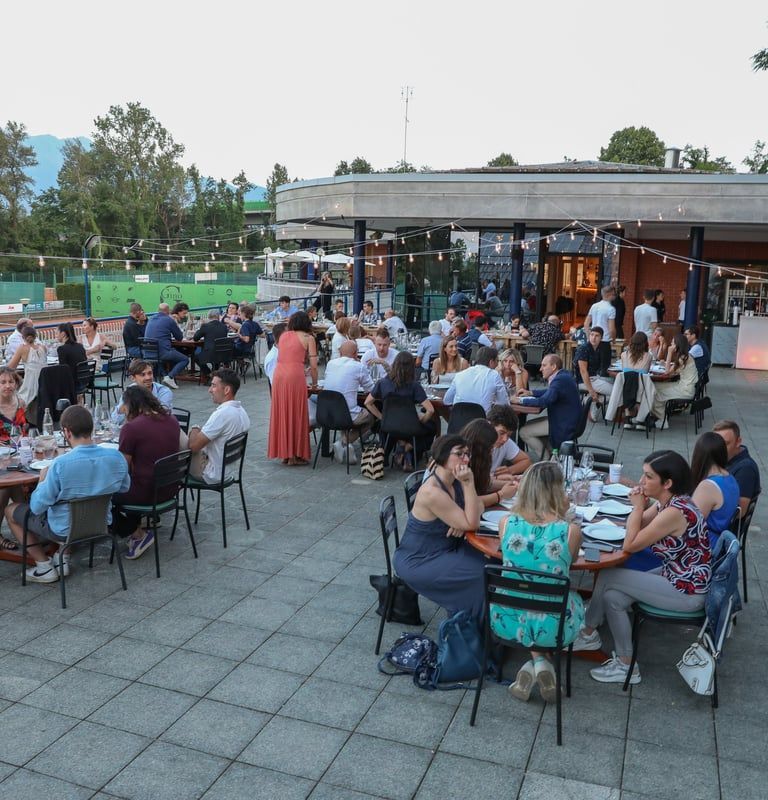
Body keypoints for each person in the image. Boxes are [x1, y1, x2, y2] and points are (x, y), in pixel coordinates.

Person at [573, 451, 710, 685]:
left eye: (648, 477)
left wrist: (637, 507)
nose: (640, 481)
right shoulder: (671, 502)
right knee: (613, 597)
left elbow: (630, 543)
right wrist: (641, 505)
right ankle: (626, 665)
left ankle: (587, 633)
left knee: (608, 574)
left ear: (667, 483)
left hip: (687, 590)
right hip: (676, 575)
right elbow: (638, 525)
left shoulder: (674, 512)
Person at [4, 405, 130, 583]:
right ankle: (62, 557)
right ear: (92, 427)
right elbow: (124, 488)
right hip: (101, 523)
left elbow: (37, 507)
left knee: (11, 511)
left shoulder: (60, 464)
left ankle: (43, 566)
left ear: (66, 432)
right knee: (69, 506)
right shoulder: (116, 457)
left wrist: (41, 481)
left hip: (63, 530)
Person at [491, 461, 584, 701]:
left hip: (507, 616)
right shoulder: (570, 531)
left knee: (530, 598)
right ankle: (542, 662)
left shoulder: (506, 523)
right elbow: (571, 562)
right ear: (557, 491)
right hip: (554, 623)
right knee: (569, 598)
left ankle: (536, 664)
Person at [393, 434, 486, 622]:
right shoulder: (432, 491)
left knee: (489, 563)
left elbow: (479, 507)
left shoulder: (454, 479)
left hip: (445, 549)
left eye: (467, 454)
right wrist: (469, 486)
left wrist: (462, 520)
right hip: (419, 560)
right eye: (459, 454)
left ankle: (476, 622)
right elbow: (473, 521)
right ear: (443, 455)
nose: (466, 459)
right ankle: (467, 628)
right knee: (481, 574)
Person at [111, 385, 182, 559]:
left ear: (131, 405)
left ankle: (138, 534)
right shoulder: (171, 419)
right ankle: (136, 530)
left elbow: (122, 469)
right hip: (170, 488)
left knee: (99, 497)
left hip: (147, 492)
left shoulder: (132, 428)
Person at [364, 351, 436, 469]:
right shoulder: (414, 386)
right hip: (410, 425)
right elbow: (431, 410)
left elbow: (368, 403)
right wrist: (421, 420)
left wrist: (382, 417)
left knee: (393, 430)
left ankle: (403, 448)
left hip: (388, 425)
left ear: (395, 364)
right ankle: (408, 448)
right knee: (431, 427)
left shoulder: (382, 383)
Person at [267, 312, 317, 465]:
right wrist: (314, 383)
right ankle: (295, 455)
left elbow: (288, 357)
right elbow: (314, 366)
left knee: (282, 412)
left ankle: (285, 454)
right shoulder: (309, 338)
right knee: (297, 413)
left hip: (279, 375)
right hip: (295, 376)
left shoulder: (283, 336)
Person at [517, 354, 581, 461]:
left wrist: (520, 400)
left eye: (544, 365)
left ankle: (546, 460)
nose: (540, 369)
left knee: (524, 431)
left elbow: (545, 401)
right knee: (528, 425)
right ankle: (551, 454)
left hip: (563, 423)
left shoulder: (559, 380)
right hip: (567, 419)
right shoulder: (563, 376)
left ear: (553, 367)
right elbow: (550, 392)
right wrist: (531, 392)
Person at [189, 368, 251, 480]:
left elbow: (193, 447)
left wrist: (194, 428)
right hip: (228, 471)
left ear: (226, 390)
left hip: (212, 473)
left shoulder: (222, 414)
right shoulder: (242, 412)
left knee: (176, 436)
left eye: (213, 386)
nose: (210, 390)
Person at [316, 341, 375, 450]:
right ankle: (344, 442)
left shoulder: (330, 364)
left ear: (340, 352)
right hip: (347, 415)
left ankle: (344, 444)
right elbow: (371, 389)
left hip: (327, 414)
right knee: (371, 417)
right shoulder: (359, 367)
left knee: (347, 406)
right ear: (355, 353)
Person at [690, 431, 740, 547]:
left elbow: (690, 526)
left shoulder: (708, 486)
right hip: (717, 542)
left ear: (698, 455)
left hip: (702, 548)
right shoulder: (730, 477)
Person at [459, 418, 519, 508]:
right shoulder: (460, 462)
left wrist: (512, 484)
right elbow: (468, 502)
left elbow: (481, 483)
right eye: (490, 448)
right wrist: (501, 495)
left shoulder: (470, 456)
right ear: (480, 447)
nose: (491, 452)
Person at [0, 368, 28, 551]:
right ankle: (28, 533)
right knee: (9, 485)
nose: (7, 386)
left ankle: (27, 532)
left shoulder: (21, 403)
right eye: (2, 382)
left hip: (18, 458)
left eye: (11, 382)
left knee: (15, 483)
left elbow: (26, 431)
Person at [712, 420, 761, 516]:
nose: (719, 449)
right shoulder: (726, 459)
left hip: (721, 527)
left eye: (725, 444)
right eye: (717, 444)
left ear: (738, 442)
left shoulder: (746, 470)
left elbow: (740, 512)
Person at [650, 333, 698, 427]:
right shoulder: (686, 356)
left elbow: (667, 372)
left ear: (677, 344)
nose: (671, 346)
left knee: (656, 394)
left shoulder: (683, 358)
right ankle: (655, 414)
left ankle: (661, 420)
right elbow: (674, 371)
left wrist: (669, 353)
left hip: (685, 390)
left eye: (672, 343)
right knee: (654, 386)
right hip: (685, 386)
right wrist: (665, 364)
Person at [443, 346, 509, 414]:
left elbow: (447, 400)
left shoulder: (460, 375)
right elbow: (504, 404)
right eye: (497, 361)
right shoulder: (494, 375)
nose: (497, 364)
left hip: (458, 421)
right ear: (491, 362)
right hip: (482, 422)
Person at [111, 359, 172, 425]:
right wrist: (124, 406)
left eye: (150, 373)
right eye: (142, 375)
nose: (148, 377)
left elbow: (158, 418)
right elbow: (115, 421)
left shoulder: (164, 392)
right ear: (133, 378)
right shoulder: (130, 391)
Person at [144, 303, 188, 389]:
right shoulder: (169, 320)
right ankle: (169, 377)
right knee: (184, 359)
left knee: (170, 354)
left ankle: (165, 375)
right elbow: (179, 337)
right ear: (168, 311)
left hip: (148, 352)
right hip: (162, 352)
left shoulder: (151, 318)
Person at [573, 325, 613, 420]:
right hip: (582, 381)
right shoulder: (584, 348)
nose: (593, 338)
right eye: (592, 335)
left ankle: (592, 402)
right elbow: (583, 371)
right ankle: (590, 400)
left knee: (616, 385)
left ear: (601, 338)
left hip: (594, 378)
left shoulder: (598, 348)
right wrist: (591, 391)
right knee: (616, 392)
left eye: (597, 336)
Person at [7, 326, 48, 410]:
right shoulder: (43, 347)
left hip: (30, 387)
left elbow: (10, 368)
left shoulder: (22, 348)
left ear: (22, 337)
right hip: (45, 385)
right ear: (36, 336)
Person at [487, 403, 531, 478]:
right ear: (489, 425)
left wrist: (510, 470)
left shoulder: (506, 442)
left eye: (509, 435)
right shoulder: (472, 444)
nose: (505, 439)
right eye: (501, 433)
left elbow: (526, 461)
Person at [192, 309, 229, 381]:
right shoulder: (224, 327)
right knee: (216, 353)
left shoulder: (206, 326)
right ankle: (215, 373)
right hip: (223, 353)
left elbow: (195, 338)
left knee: (195, 356)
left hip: (210, 353)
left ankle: (208, 373)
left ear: (209, 317)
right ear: (218, 316)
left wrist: (201, 326)